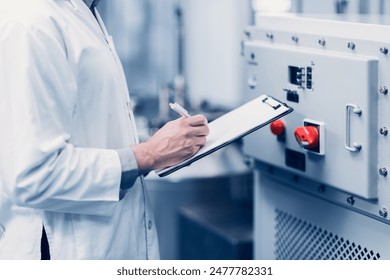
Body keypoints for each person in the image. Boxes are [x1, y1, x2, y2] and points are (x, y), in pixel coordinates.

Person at [0, 0, 209, 259]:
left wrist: (160, 146)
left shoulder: (84, 12)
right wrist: (148, 154)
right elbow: (33, 176)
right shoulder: (31, 21)